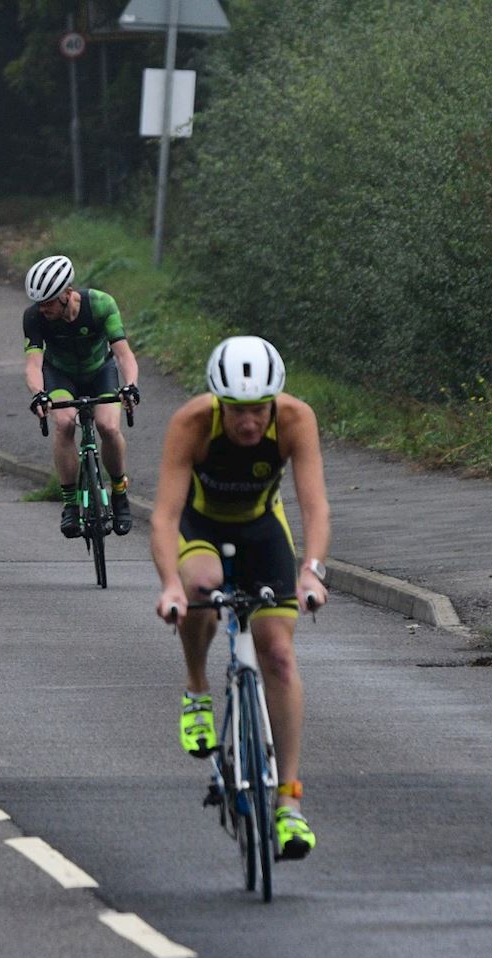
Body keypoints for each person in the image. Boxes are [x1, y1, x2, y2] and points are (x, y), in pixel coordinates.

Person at [151, 336, 330, 861]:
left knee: (277, 652)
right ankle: (198, 689)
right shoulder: (191, 424)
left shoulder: (296, 419)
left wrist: (312, 573)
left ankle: (289, 804)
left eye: (258, 411)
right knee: (201, 588)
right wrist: (168, 586)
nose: (249, 423)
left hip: (261, 528)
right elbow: (163, 515)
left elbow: (315, 506)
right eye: (237, 412)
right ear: (218, 403)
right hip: (200, 525)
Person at [22, 255, 141, 538]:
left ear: (67, 292)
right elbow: (33, 364)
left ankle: (120, 493)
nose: (43, 308)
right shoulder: (34, 317)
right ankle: (70, 504)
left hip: (100, 370)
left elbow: (124, 354)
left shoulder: (100, 304)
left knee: (109, 427)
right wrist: (39, 394)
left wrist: (131, 385)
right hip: (60, 374)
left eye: (49, 301)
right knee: (64, 423)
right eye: (39, 302)